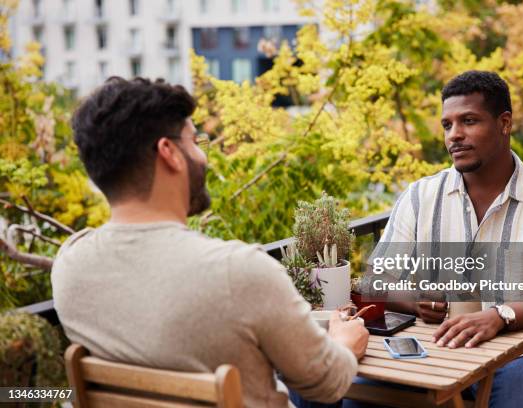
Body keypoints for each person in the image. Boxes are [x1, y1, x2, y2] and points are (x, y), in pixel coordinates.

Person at [51, 77, 369, 408]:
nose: (203, 155)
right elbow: (327, 385)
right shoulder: (239, 271)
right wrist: (345, 344)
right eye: (195, 141)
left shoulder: (70, 265)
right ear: (169, 152)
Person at [369, 70, 523, 407]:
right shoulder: (420, 195)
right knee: (358, 391)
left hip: (521, 356)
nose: (454, 135)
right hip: (433, 348)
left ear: (504, 123)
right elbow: (375, 280)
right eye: (447, 125)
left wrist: (499, 316)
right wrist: (415, 302)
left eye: (468, 121)